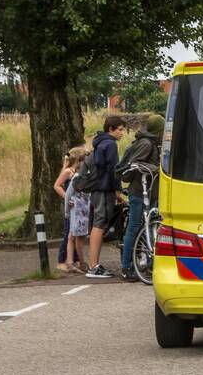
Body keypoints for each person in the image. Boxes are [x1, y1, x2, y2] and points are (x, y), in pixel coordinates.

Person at [120, 114, 164, 279]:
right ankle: (126, 267)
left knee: (150, 227)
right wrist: (156, 168)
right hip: (140, 192)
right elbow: (134, 163)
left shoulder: (153, 142)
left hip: (150, 191)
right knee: (134, 227)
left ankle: (150, 264)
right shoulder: (146, 143)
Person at [86, 115, 127, 278]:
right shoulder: (110, 144)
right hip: (104, 189)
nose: (122, 133)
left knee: (99, 224)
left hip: (97, 188)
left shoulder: (100, 143)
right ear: (111, 129)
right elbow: (113, 169)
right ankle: (93, 266)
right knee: (99, 225)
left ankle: (93, 264)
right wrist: (117, 190)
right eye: (120, 129)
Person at [53, 148, 83, 272]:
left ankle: (75, 259)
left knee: (76, 233)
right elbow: (57, 185)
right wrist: (67, 197)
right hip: (70, 207)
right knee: (68, 233)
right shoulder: (68, 171)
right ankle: (61, 261)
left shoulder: (80, 171)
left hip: (79, 207)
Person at [63, 147, 91, 273]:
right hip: (78, 210)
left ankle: (72, 262)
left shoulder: (84, 176)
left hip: (82, 210)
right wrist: (67, 211)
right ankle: (81, 262)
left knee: (74, 236)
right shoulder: (77, 177)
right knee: (77, 236)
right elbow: (68, 194)